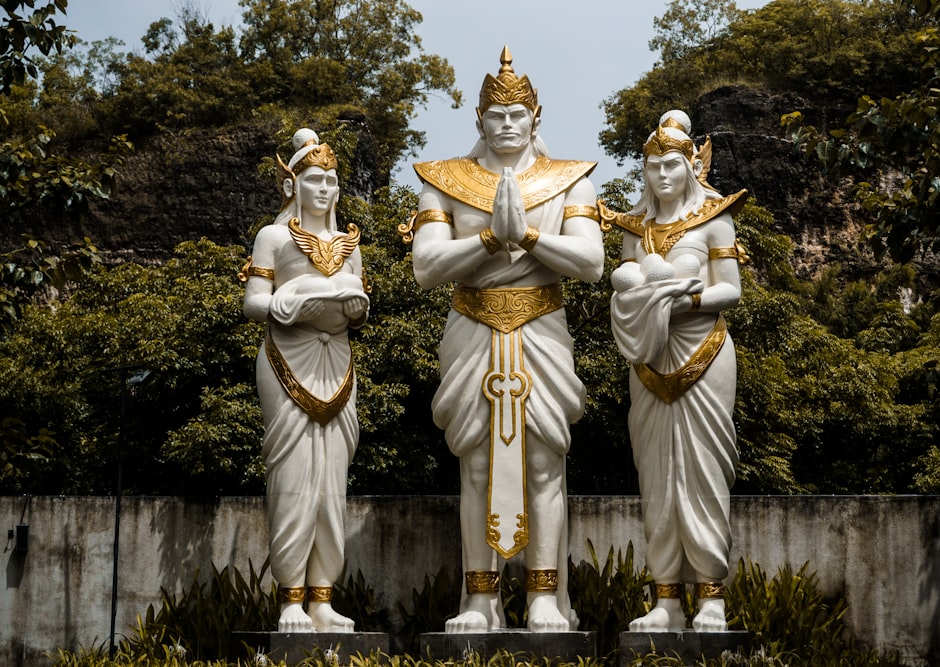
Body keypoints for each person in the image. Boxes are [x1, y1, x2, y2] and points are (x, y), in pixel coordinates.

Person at [398, 47, 604, 633]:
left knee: (543, 462)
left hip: (541, 326)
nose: (508, 124)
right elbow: (427, 267)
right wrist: (491, 238)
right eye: (496, 115)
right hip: (472, 326)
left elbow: (590, 262)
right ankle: (480, 599)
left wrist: (530, 235)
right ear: (480, 120)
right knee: (478, 466)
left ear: (536, 117)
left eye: (518, 115)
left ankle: (543, 594)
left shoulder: (572, 180)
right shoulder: (442, 182)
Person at [603, 110, 746, 632]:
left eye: (671, 165)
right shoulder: (634, 230)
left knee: (705, 474)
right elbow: (626, 287)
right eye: (652, 167)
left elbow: (730, 289)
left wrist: (679, 298)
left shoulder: (714, 220)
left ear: (692, 166)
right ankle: (664, 599)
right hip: (648, 357)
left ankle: (711, 596)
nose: (661, 176)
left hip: (703, 351)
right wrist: (649, 304)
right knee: (657, 477)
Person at [241, 128, 369, 633]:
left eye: (331, 181)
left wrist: (349, 303)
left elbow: (359, 306)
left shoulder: (349, 242)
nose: (324, 189)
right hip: (285, 357)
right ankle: (290, 599)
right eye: (314, 179)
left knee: (331, 482)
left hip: (337, 359)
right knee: (293, 480)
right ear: (292, 184)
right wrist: (288, 301)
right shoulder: (273, 237)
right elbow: (253, 303)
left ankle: (322, 599)